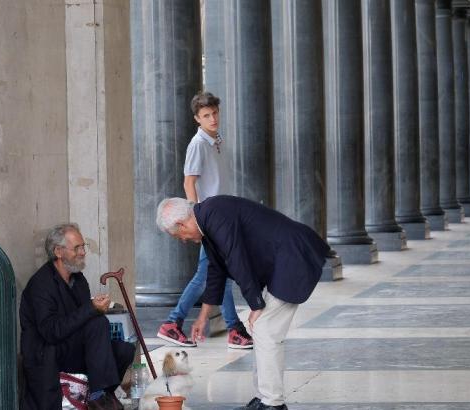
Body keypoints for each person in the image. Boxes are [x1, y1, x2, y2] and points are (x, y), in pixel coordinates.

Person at [156, 195, 331, 410]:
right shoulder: (207, 220)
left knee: (265, 329)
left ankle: (272, 403)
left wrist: (256, 305)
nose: (183, 240)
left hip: (293, 255)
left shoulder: (215, 215)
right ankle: (265, 398)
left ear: (181, 224)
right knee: (263, 329)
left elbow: (237, 259)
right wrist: (203, 317)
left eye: (179, 236)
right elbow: (216, 271)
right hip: (283, 259)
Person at [156, 92, 254, 350]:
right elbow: (189, 181)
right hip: (208, 219)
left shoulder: (217, 139)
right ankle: (229, 328)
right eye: (206, 116)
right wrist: (197, 217)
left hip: (220, 217)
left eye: (214, 113)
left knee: (213, 272)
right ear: (197, 119)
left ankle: (177, 324)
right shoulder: (198, 144)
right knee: (210, 274)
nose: (212, 119)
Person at [20, 223, 134, 410]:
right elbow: (51, 331)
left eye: (83, 247)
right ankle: (99, 397)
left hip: (72, 345)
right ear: (58, 251)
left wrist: (95, 308)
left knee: (124, 350)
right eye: (77, 248)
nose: (82, 252)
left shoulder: (78, 279)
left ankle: (104, 394)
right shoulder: (41, 284)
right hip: (49, 352)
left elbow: (83, 320)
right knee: (97, 323)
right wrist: (91, 309)